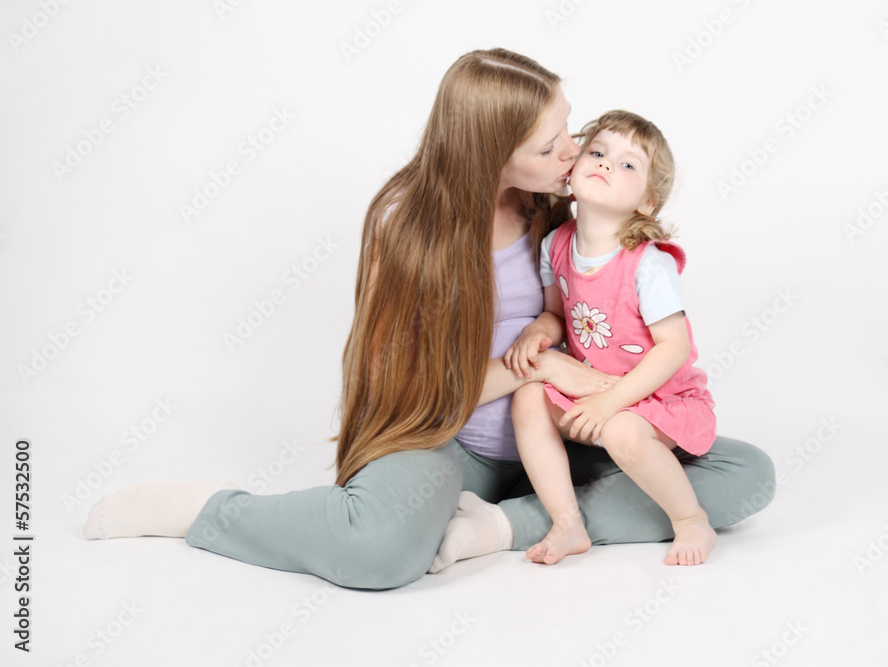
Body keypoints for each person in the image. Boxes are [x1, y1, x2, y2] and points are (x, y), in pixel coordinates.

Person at [83, 49, 775, 590]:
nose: (574, 152)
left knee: (745, 474)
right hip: (454, 440)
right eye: (551, 145)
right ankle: (211, 511)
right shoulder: (406, 227)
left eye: (572, 127)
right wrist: (542, 363)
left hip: (567, 440)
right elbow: (412, 392)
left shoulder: (556, 211)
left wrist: (576, 360)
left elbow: (597, 304)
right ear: (489, 156)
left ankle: (508, 524)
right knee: (377, 550)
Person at [503, 110, 716, 567]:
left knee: (622, 429)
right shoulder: (556, 244)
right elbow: (556, 313)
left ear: (647, 203)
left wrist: (612, 401)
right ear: (575, 165)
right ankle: (568, 523)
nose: (604, 164)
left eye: (627, 165)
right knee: (526, 398)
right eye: (597, 152)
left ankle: (690, 518)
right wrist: (539, 330)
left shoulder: (647, 263)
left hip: (658, 397)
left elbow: (673, 346)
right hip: (591, 388)